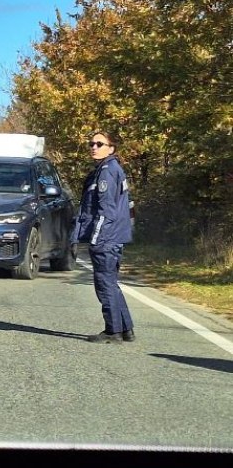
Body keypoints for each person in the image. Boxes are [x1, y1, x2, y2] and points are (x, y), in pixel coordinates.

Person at [73, 131, 136, 343]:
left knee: (104, 284)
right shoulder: (106, 169)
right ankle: (126, 328)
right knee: (111, 282)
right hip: (112, 236)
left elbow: (106, 211)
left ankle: (113, 331)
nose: (94, 147)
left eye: (99, 144)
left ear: (111, 148)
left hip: (106, 238)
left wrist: (96, 239)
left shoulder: (107, 172)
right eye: (91, 143)